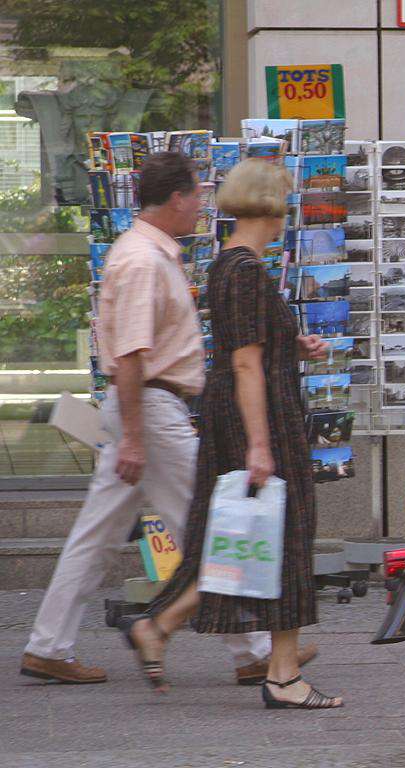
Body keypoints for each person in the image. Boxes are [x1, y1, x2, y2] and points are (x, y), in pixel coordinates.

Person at [20, 152, 278, 686]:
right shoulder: (143, 260)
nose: (202, 205)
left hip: (144, 408)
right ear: (177, 198)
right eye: (198, 195)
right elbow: (132, 355)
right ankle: (252, 650)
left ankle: (47, 645)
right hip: (151, 410)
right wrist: (136, 439)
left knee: (97, 535)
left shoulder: (146, 253)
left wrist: (132, 435)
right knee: (206, 525)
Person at [121, 159, 342, 709]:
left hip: (245, 411)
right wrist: (260, 445)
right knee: (286, 537)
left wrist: (294, 346)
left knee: (252, 539)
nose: (287, 212)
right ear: (270, 205)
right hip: (259, 417)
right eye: (284, 201)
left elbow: (251, 347)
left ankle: (169, 628)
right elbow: (244, 363)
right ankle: (282, 676)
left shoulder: (232, 265)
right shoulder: (244, 270)